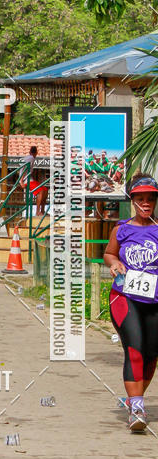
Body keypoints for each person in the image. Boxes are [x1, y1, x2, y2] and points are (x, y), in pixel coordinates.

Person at [105, 174, 158, 432]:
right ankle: (137, 410)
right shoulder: (122, 229)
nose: (145, 203)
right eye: (140, 198)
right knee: (135, 348)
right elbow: (109, 253)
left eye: (150, 199)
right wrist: (115, 263)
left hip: (154, 300)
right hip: (125, 297)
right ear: (132, 201)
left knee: (151, 354)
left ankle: (134, 399)